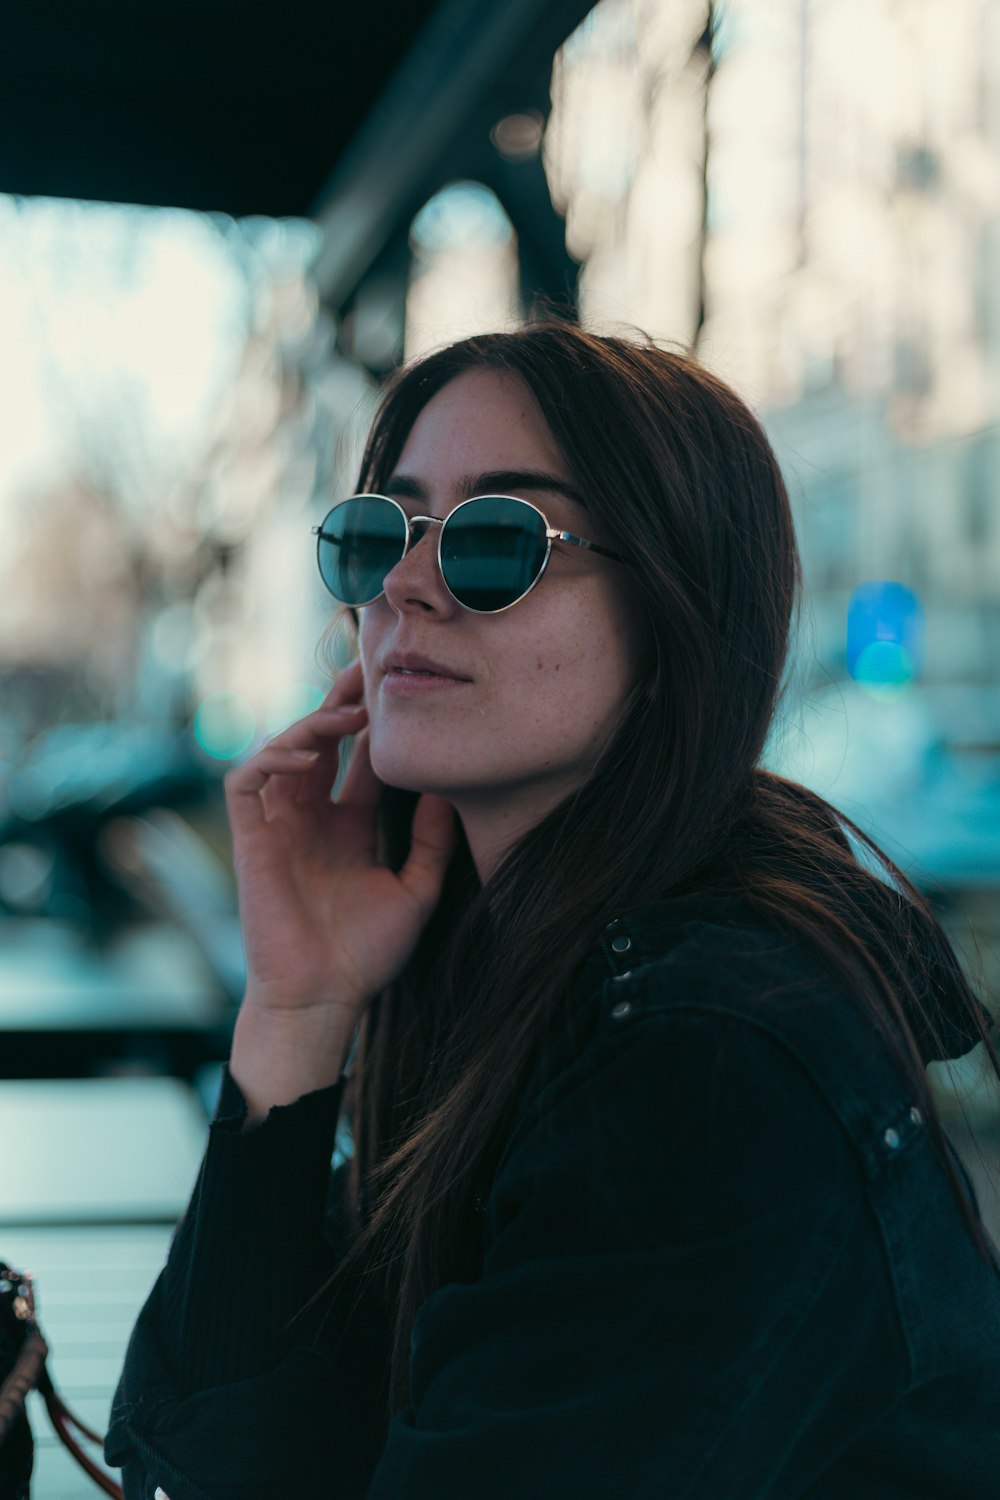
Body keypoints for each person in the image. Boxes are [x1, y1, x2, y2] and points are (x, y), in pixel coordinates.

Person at [106, 321, 1000, 1500]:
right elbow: (240, 1444)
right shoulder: (516, 964)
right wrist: (297, 1005)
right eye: (380, 535)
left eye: (494, 541)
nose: (408, 586)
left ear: (678, 610)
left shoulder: (707, 1054)